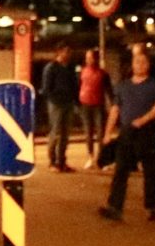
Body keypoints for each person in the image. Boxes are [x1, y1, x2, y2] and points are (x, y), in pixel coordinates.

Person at [100, 46, 155, 222]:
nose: (140, 65)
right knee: (121, 170)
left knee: (151, 171)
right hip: (127, 132)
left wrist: (143, 120)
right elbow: (115, 110)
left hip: (147, 133)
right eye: (137, 62)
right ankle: (115, 207)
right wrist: (108, 133)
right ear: (132, 65)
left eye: (143, 62)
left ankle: (152, 205)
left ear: (148, 65)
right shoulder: (123, 86)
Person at [39, 44, 82, 173]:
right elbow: (46, 88)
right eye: (65, 52)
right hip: (56, 103)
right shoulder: (51, 68)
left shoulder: (70, 67)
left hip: (68, 103)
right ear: (58, 52)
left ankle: (62, 161)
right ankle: (52, 161)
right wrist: (53, 99)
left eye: (69, 52)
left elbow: (75, 85)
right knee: (56, 132)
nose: (68, 54)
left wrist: (76, 101)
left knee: (65, 134)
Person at [77, 49, 109, 166]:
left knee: (101, 133)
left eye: (90, 57)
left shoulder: (103, 73)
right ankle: (90, 156)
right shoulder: (82, 72)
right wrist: (78, 103)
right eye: (87, 57)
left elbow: (108, 90)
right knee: (88, 133)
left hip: (98, 106)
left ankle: (102, 158)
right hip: (85, 105)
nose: (88, 60)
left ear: (96, 59)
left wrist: (112, 105)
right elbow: (78, 87)